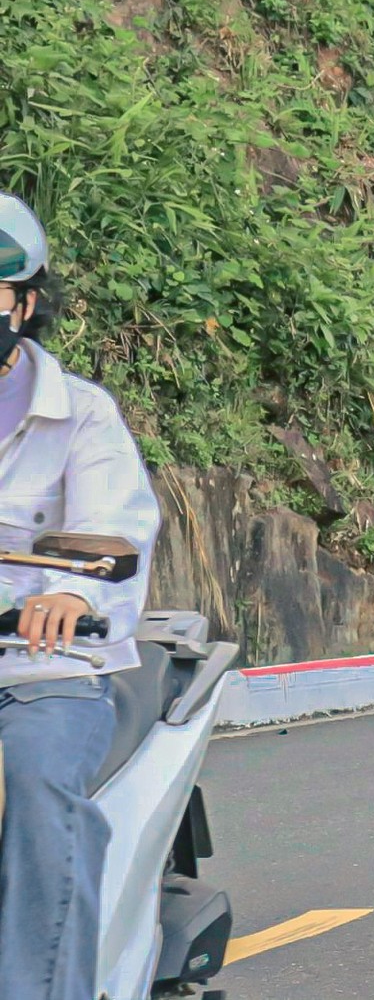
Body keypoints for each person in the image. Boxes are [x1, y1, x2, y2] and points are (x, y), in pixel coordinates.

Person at [0, 195, 160, 1000]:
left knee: (36, 782)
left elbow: (111, 524)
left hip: (40, 667)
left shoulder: (83, 415)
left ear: (25, 303)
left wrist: (63, 592)